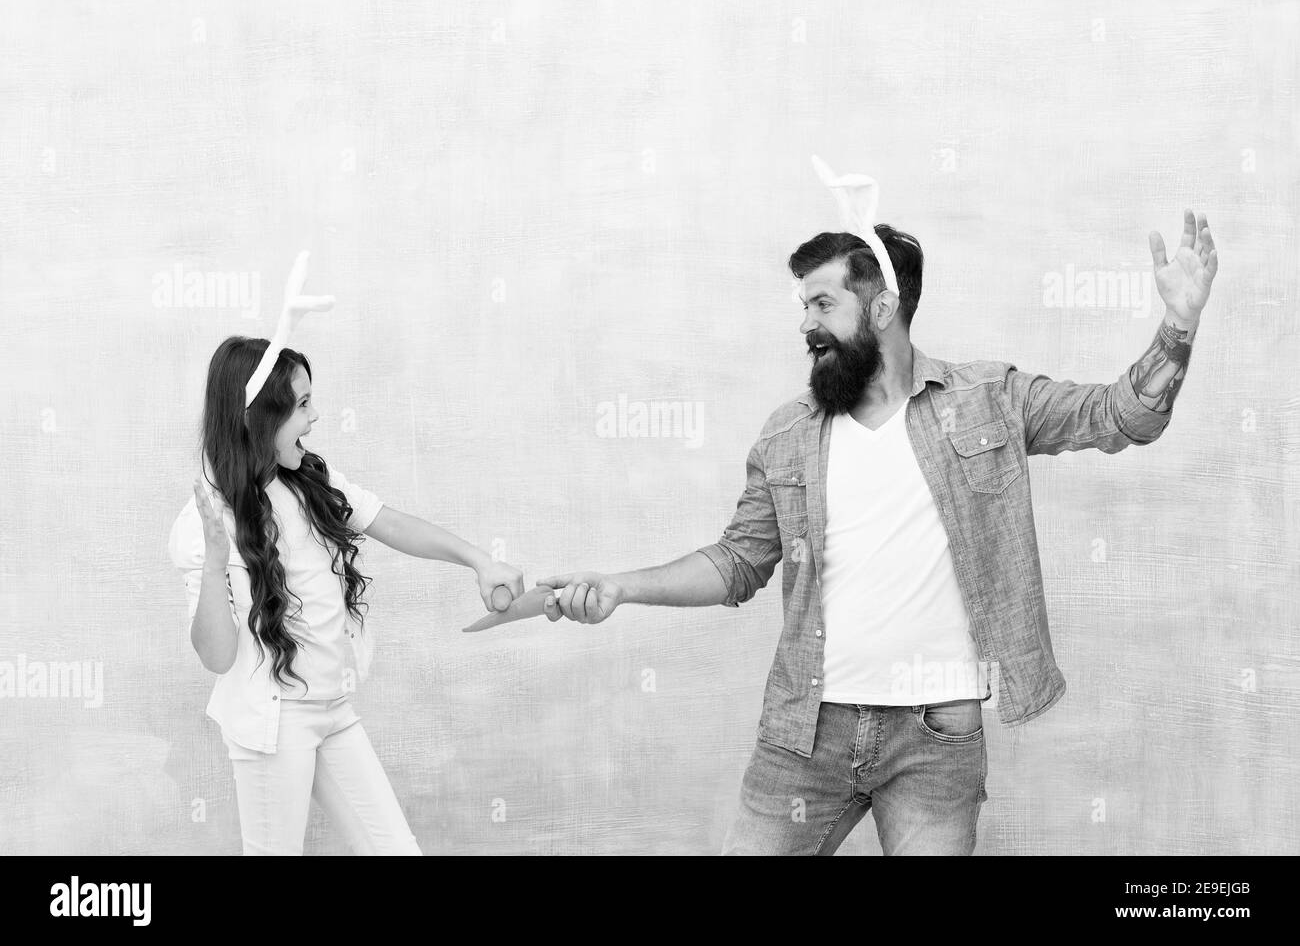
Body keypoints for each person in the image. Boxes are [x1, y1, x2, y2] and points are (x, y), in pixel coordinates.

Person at [539, 209, 1217, 855]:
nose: (806, 322)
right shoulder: (788, 433)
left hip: (936, 739)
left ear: (884, 308)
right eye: (804, 305)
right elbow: (738, 562)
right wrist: (619, 587)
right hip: (807, 732)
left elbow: (1120, 417)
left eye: (823, 304)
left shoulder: (990, 400)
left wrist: (1177, 326)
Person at [169, 289, 524, 854]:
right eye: (303, 405)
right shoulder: (208, 519)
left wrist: (480, 560)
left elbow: (390, 522)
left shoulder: (307, 478)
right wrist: (215, 563)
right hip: (274, 724)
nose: (316, 416)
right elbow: (215, 656)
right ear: (260, 418)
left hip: (330, 708)